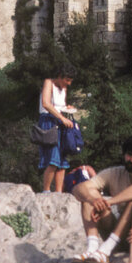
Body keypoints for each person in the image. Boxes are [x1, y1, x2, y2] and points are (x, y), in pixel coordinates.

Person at [70, 135, 132, 263]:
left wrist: (110, 202)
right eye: (129, 155)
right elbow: (78, 188)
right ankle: (92, 249)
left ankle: (107, 249)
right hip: (121, 238)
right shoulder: (115, 173)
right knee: (88, 195)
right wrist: (92, 200)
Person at [37, 65, 77, 193]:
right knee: (53, 158)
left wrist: (67, 108)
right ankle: (46, 190)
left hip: (60, 122)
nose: (69, 83)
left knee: (62, 159)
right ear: (60, 77)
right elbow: (46, 103)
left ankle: (59, 192)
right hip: (49, 121)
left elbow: (61, 105)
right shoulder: (49, 83)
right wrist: (62, 118)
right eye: (67, 80)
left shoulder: (63, 88)